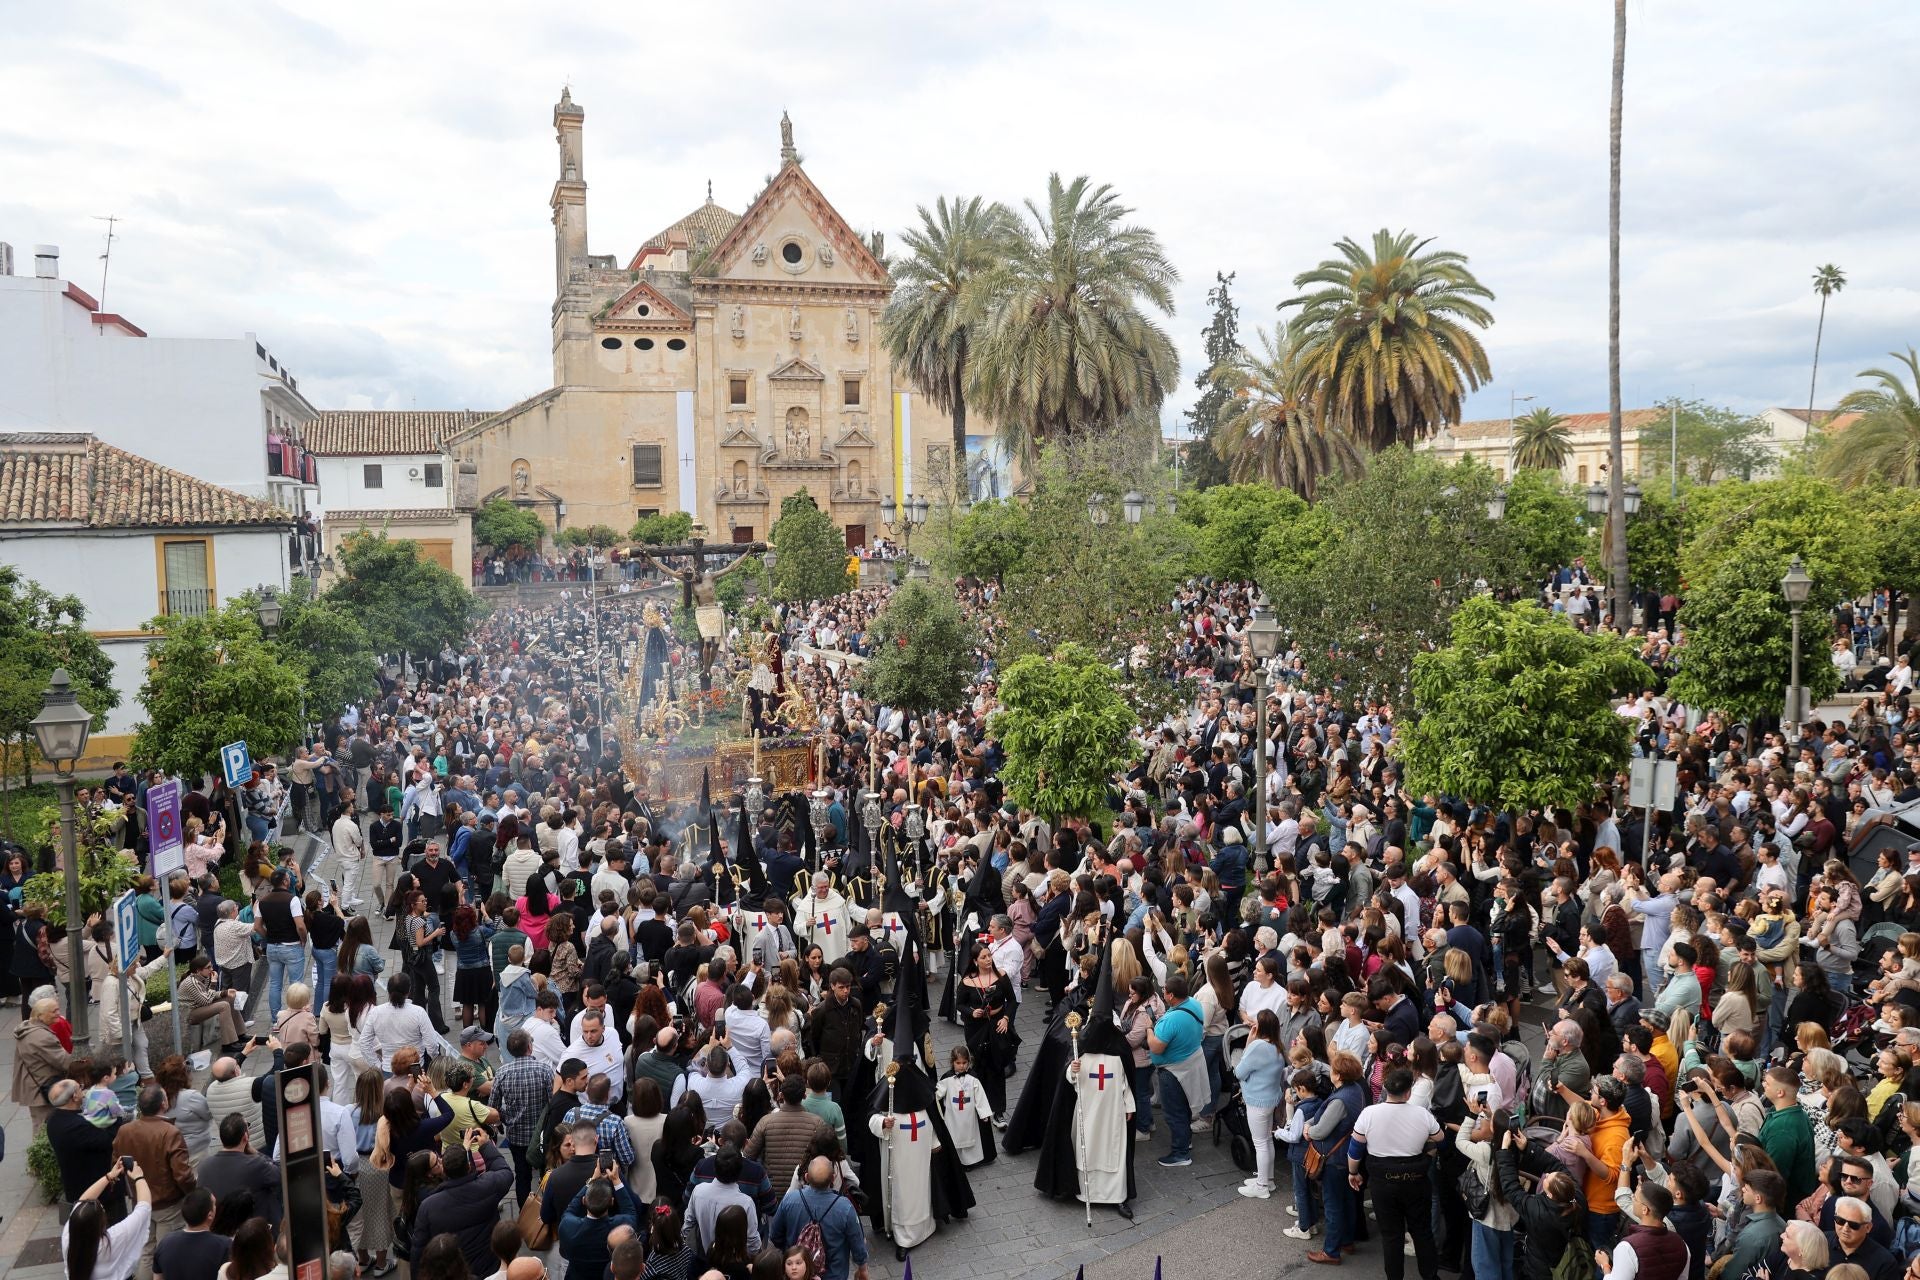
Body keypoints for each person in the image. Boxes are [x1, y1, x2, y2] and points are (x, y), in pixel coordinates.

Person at [1333, 1065, 1441, 1279]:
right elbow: (1439, 1139)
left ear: (1385, 1088)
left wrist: (1353, 1173)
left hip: (1383, 1183)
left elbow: (1355, 1149)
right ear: (1408, 1092)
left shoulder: (1369, 1114)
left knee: (1392, 1236)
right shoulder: (1422, 1114)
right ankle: (1430, 1276)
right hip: (1416, 1181)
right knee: (1422, 1232)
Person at [1061, 938, 1136, 1217]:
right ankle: (1085, 1192)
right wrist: (1073, 1070)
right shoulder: (1084, 1053)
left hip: (1113, 1115)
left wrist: (1129, 1106)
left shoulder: (1117, 1057)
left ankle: (1118, 1196)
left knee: (1114, 1153)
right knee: (1088, 1151)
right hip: (1088, 1113)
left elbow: (1127, 1083)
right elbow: (1069, 1078)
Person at [410, 1129, 517, 1275]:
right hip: (489, 1266)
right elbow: (504, 1172)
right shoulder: (488, 1186)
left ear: (445, 1171)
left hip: (454, 1271)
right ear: (468, 1166)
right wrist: (486, 1146)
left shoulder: (428, 1206)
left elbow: (418, 1250)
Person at [770, 1157, 870, 1280]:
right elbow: (857, 1244)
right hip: (834, 1275)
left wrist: (791, 1256)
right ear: (833, 1178)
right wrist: (862, 1269)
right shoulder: (845, 1207)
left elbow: (775, 1235)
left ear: (806, 1177)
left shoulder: (789, 1200)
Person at [1146, 972, 1207, 1168]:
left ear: (1171, 995)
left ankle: (1180, 1153)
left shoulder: (1170, 1020)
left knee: (1174, 1112)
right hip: (1191, 1063)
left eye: (1164, 990)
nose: (1162, 992)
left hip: (1174, 1071)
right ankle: (1185, 1141)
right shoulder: (1194, 1004)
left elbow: (1156, 1047)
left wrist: (1149, 1029)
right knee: (1185, 1108)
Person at [62, 1156, 152, 1280]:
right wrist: (139, 1177)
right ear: (100, 1223)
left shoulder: (69, 1235)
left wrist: (109, 1176)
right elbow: (144, 1208)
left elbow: (82, 1200)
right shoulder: (111, 1240)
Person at [198, 1112, 284, 1227]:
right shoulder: (255, 1165)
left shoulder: (204, 1166)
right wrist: (256, 1152)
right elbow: (280, 1173)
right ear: (245, 1137)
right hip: (255, 1229)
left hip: (222, 1228)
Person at [47, 1077, 123, 1202]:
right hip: (96, 1193)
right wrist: (115, 1115)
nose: (84, 1092)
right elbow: (109, 1139)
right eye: (80, 1088)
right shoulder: (77, 1126)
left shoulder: (53, 1119)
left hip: (78, 1188)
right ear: (75, 1096)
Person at [559, 1170, 642, 1280]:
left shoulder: (568, 1227)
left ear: (584, 1200)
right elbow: (630, 1211)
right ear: (611, 1202)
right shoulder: (619, 1227)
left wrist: (591, 1180)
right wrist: (616, 1180)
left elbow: (569, 1210)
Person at [153, 1189, 231, 1280]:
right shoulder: (224, 1246)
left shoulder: (165, 1243)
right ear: (210, 1215)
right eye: (214, 1204)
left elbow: (157, 1278)